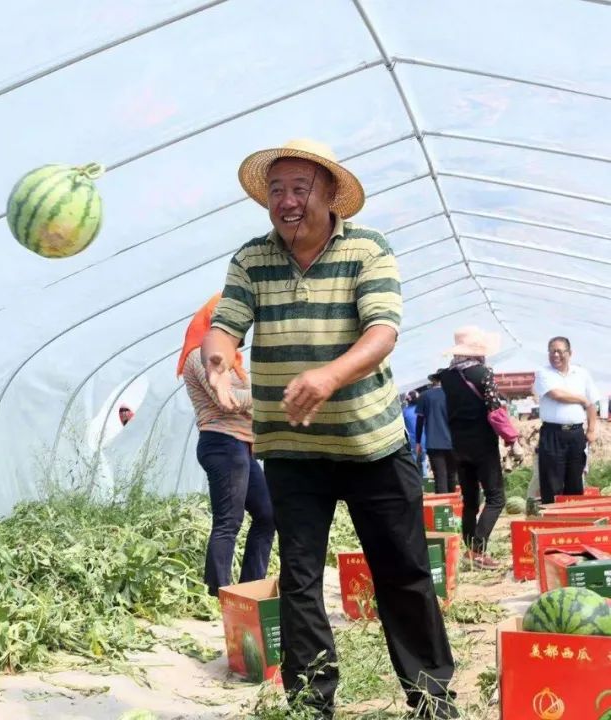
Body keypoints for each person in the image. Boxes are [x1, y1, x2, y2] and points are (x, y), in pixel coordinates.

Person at [200, 138, 456, 719]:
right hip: (293, 449)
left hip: (372, 445)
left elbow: (382, 332)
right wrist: (217, 358)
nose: (286, 201)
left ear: (329, 193)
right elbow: (225, 325)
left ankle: (433, 700)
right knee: (299, 579)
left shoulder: (368, 249)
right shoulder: (252, 259)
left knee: (404, 574)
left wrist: (328, 376)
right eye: (276, 190)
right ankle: (311, 705)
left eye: (299, 188)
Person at [178, 293, 274, 594]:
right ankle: (218, 591)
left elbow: (248, 399)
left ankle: (250, 586)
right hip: (222, 444)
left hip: (240, 446)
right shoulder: (199, 356)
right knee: (228, 521)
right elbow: (228, 402)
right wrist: (267, 394)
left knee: (268, 514)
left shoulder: (233, 362)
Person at [437, 327, 507, 569]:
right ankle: (478, 549)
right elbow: (495, 410)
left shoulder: (446, 377)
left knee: (469, 501)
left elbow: (434, 378)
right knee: (497, 498)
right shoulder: (483, 373)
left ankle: (469, 551)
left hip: (458, 445)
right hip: (483, 445)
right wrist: (512, 439)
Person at [534, 336, 601, 502]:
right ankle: (551, 521)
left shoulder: (582, 374)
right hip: (553, 434)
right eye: (552, 351)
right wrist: (581, 399)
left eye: (559, 351)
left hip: (576, 434)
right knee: (552, 482)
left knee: (575, 481)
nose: (555, 355)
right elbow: (556, 394)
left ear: (570, 353)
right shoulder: (543, 372)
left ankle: (573, 521)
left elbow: (592, 402)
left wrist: (591, 429)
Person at [416, 372, 458, 493]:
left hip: (433, 442)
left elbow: (419, 421)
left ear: (432, 381)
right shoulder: (453, 394)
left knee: (440, 475)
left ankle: (442, 508)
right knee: (451, 474)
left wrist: (418, 442)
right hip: (452, 442)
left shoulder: (424, 396)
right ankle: (452, 505)